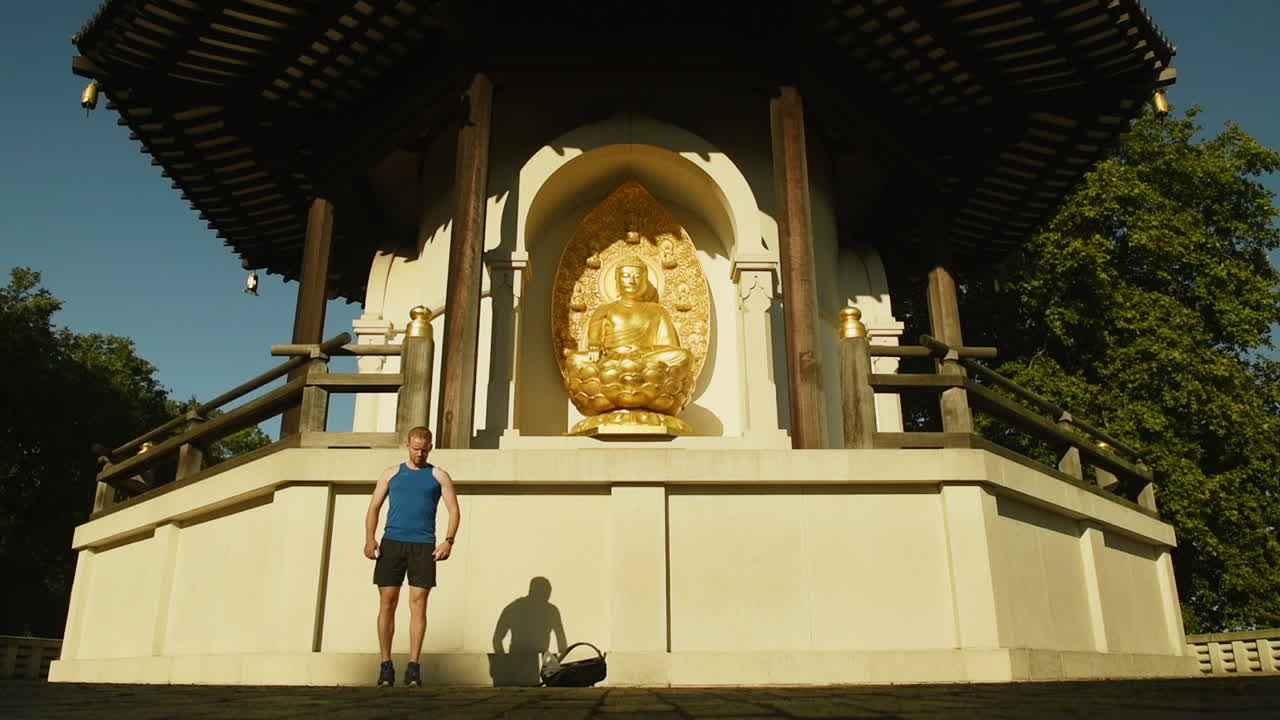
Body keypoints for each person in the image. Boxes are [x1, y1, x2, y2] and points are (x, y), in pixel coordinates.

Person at [364, 425, 459, 687]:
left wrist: (448, 541)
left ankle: (414, 667)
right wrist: (370, 538)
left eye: (424, 449)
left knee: (419, 603)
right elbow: (373, 507)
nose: (419, 453)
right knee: (387, 602)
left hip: (423, 545)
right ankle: (385, 666)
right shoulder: (391, 474)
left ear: (431, 448)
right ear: (408, 445)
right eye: (415, 448)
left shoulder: (439, 475)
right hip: (392, 543)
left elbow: (453, 510)